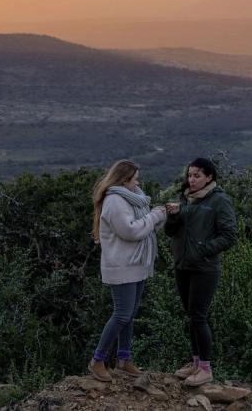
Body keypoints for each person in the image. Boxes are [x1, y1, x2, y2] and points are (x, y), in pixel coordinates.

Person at [88, 159, 167, 382]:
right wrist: (155, 215)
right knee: (122, 314)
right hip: (122, 266)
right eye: (135, 179)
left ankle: (124, 359)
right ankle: (97, 360)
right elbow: (131, 231)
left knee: (129, 315)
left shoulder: (134, 198)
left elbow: (145, 225)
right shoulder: (115, 201)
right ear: (124, 180)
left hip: (136, 264)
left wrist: (161, 214)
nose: (138, 182)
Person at [165, 157, 237, 387]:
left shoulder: (219, 201)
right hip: (182, 265)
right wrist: (173, 216)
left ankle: (205, 369)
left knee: (198, 316)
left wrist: (202, 250)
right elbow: (170, 232)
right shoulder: (184, 198)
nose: (192, 180)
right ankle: (195, 363)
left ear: (209, 177)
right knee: (191, 316)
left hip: (204, 268)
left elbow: (229, 235)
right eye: (189, 175)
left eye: (197, 175)